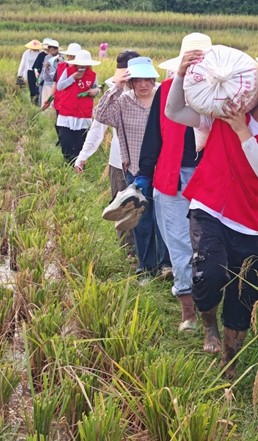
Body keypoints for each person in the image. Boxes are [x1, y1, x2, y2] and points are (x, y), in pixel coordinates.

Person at [166, 51, 258, 379]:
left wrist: (242, 133)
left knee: (244, 294)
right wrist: (180, 74)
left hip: (248, 224)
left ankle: (230, 364)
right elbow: (174, 110)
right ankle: (209, 327)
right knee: (209, 274)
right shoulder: (227, 112)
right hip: (207, 208)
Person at [135, 34, 212, 331]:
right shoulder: (166, 90)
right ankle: (188, 311)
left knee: (206, 245)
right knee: (179, 244)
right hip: (170, 177)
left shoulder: (222, 94)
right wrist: (144, 172)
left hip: (209, 179)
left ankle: (209, 307)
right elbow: (153, 134)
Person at [95, 56, 171, 277]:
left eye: (148, 79)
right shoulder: (123, 102)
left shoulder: (165, 100)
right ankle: (146, 267)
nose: (144, 84)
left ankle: (166, 264)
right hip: (136, 171)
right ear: (130, 82)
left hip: (164, 170)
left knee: (164, 220)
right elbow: (100, 115)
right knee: (142, 221)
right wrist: (115, 88)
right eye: (138, 80)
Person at [75, 50, 140, 254]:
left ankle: (148, 254)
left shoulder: (153, 91)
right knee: (123, 208)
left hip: (148, 163)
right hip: (119, 163)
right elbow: (98, 126)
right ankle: (128, 253)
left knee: (147, 210)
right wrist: (84, 155)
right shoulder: (113, 92)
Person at [54, 49, 100, 163]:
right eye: (80, 64)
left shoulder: (92, 75)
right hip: (67, 112)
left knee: (80, 143)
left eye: (85, 65)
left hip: (83, 114)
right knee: (65, 140)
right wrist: (72, 79)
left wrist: (95, 92)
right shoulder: (68, 71)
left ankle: (78, 165)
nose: (82, 67)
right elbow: (59, 87)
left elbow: (96, 88)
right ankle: (67, 163)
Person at [17, 40, 43, 104]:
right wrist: (19, 74)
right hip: (30, 72)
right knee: (32, 88)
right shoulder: (26, 53)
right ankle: (33, 102)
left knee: (38, 87)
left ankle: (38, 101)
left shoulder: (41, 53)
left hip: (39, 72)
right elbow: (22, 63)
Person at [36, 39, 60, 107]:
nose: (52, 52)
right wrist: (39, 80)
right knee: (46, 102)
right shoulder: (47, 57)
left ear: (57, 49)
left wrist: (59, 61)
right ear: (48, 49)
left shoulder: (61, 58)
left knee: (54, 103)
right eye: (51, 50)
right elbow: (43, 70)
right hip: (47, 83)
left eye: (54, 50)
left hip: (56, 83)